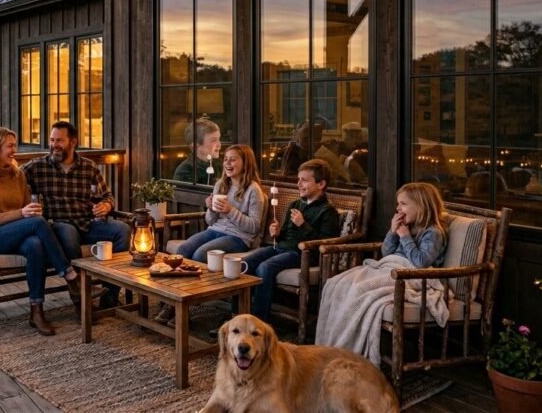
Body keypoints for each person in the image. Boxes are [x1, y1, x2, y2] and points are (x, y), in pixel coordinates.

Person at [0, 127, 97, 336]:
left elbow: (28, 209)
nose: (14, 150)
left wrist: (28, 212)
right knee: (37, 223)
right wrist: (23, 213)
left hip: (16, 234)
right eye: (10, 146)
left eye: (14, 146)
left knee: (35, 244)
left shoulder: (18, 175)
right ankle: (71, 276)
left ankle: (36, 312)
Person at [314, 182, 449, 363]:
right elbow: (386, 252)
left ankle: (349, 352)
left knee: (360, 291)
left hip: (409, 275)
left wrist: (404, 236)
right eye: (398, 203)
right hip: (389, 267)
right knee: (336, 283)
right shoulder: (407, 226)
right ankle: (330, 345)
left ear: (421, 205)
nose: (398, 208)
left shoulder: (433, 232)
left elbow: (421, 263)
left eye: (403, 204)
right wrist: (393, 232)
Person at [23, 120, 132, 311]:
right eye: (51, 140)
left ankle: (110, 294)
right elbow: (11, 179)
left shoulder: (89, 167)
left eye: (59, 140)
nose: (54, 145)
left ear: (73, 142)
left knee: (122, 229)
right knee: (68, 234)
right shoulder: (37, 167)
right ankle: (80, 298)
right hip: (59, 224)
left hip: (88, 223)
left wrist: (106, 205)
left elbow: (107, 195)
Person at [154, 144, 265, 324]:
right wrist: (210, 208)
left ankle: (187, 307)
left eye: (233, 159)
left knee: (200, 255)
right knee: (182, 250)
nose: (227, 163)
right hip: (215, 230)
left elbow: (253, 227)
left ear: (246, 163)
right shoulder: (221, 185)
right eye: (226, 159)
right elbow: (210, 221)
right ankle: (172, 302)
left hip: (239, 238)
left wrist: (230, 210)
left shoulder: (254, 190)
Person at [243, 159, 340, 323]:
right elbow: (285, 236)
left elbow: (325, 244)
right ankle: (239, 315)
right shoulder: (295, 204)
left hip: (302, 253)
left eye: (304, 180)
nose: (299, 184)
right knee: (244, 264)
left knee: (265, 267)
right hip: (282, 247)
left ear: (321, 184)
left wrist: (303, 225)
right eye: (298, 179)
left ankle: (259, 322)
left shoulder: (328, 211)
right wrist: (276, 233)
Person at [173, 117, 222, 185]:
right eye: (213, 140)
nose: (219, 144)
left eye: (219, 139)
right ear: (196, 146)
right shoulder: (184, 172)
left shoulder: (217, 165)